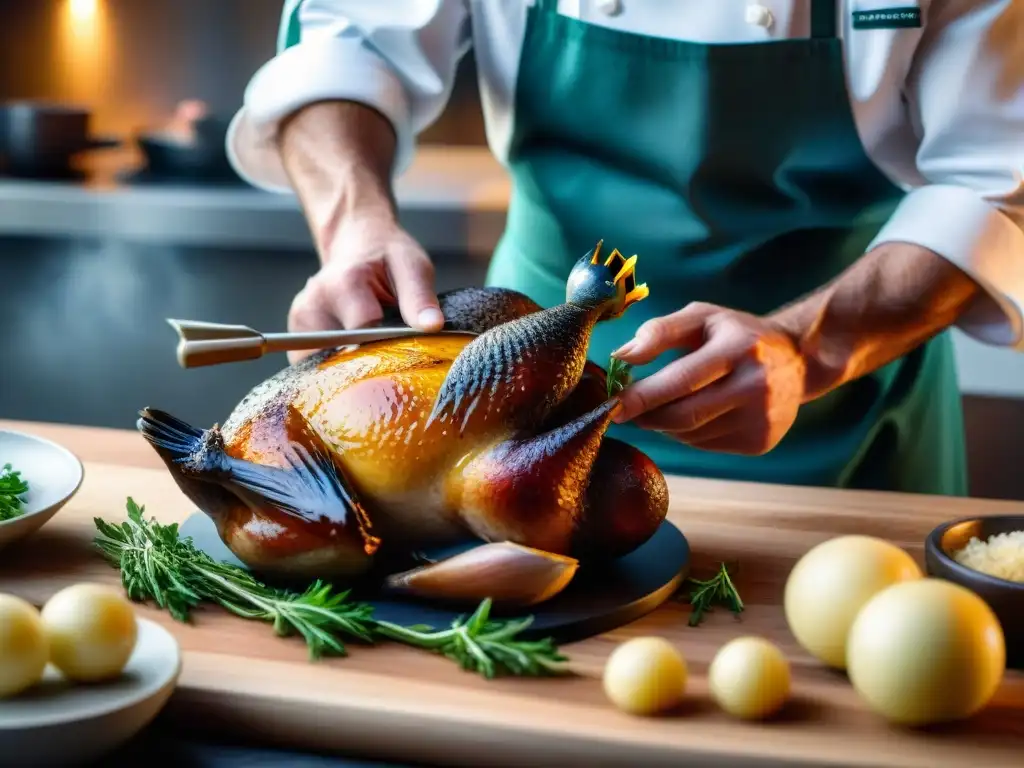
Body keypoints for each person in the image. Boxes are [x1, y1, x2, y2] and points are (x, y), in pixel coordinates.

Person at [226, 0, 1023, 496]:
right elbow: (346, 44)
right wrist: (354, 225)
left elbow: (997, 182)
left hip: (845, 422)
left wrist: (807, 347)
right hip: (509, 419)